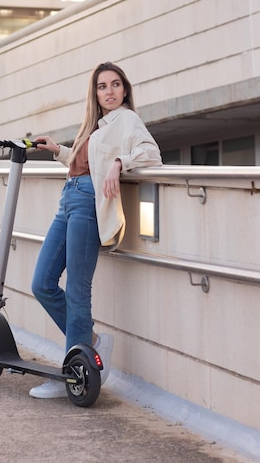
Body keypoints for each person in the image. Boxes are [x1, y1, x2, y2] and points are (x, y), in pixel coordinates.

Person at [29, 61, 162, 399]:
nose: (110, 91)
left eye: (115, 85)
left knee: (77, 289)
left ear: (125, 89)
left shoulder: (128, 120)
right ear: (96, 93)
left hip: (89, 202)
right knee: (42, 282)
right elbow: (86, 161)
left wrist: (120, 163)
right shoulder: (97, 125)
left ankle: (76, 373)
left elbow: (150, 153)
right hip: (69, 198)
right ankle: (89, 344)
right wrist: (58, 150)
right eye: (103, 86)